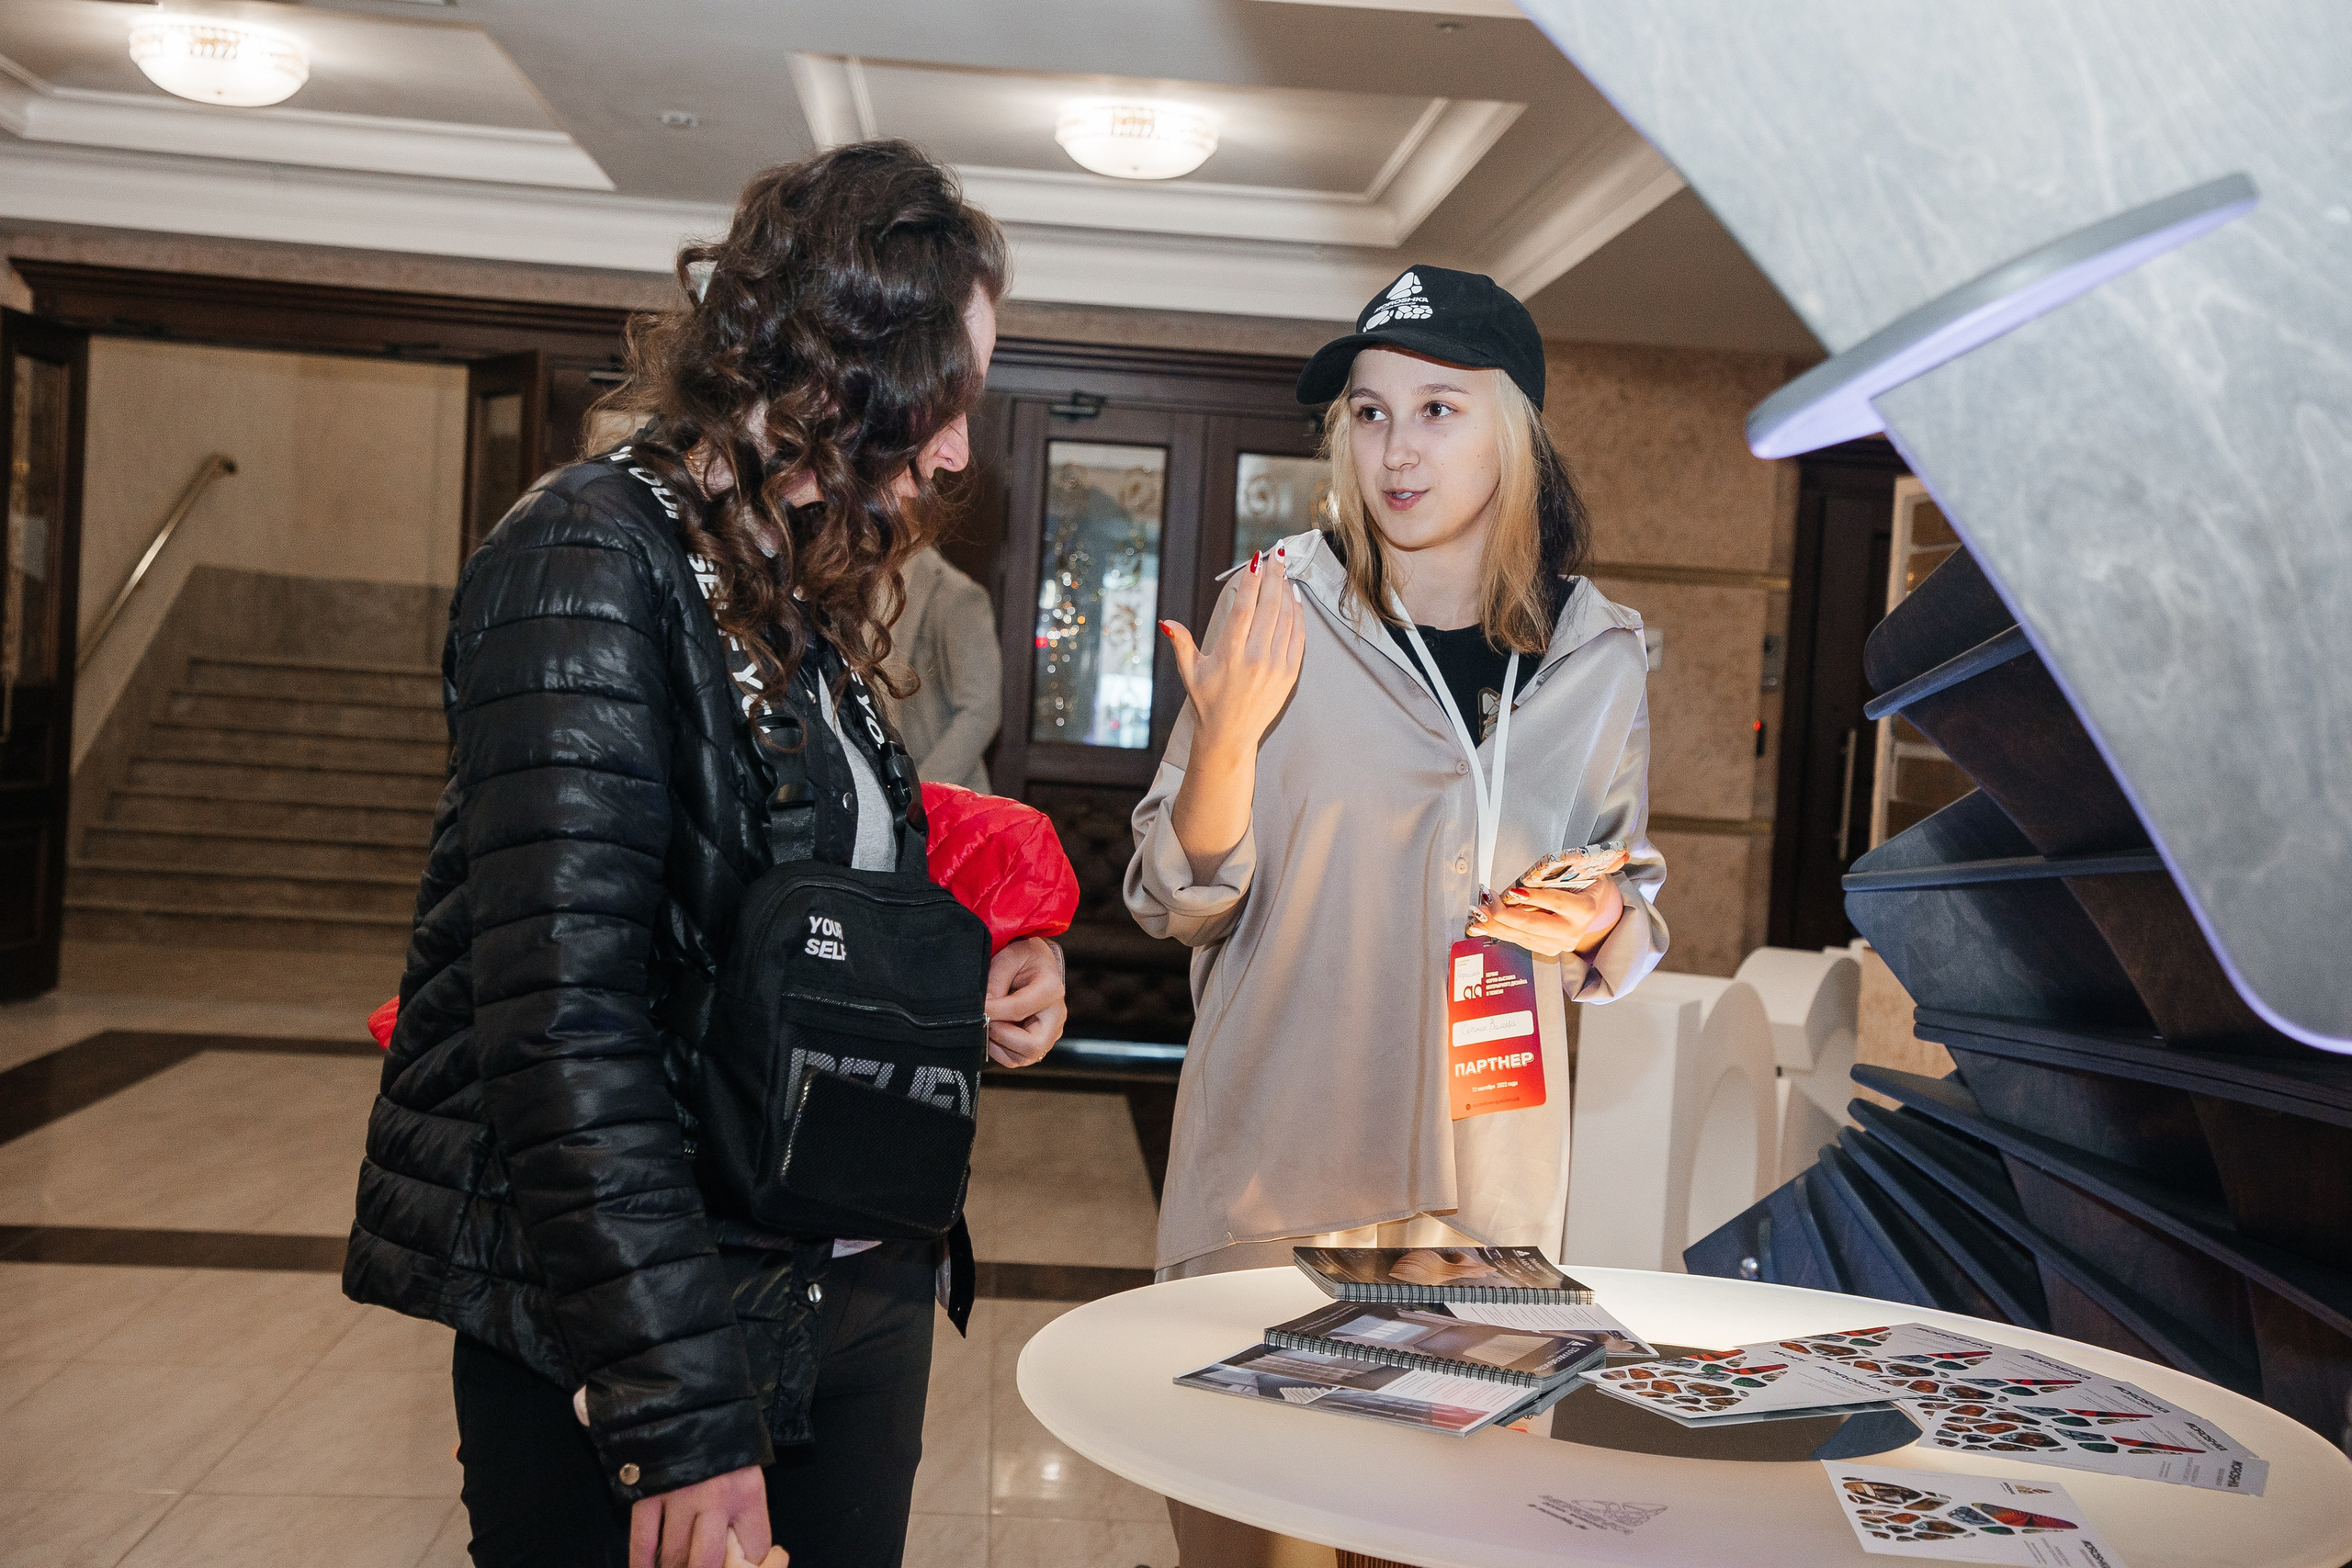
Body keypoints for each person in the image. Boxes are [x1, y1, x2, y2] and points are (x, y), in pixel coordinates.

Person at [345, 142, 1067, 1568]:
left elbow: (781, 920)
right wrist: (677, 1407)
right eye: (951, 394)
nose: (959, 450)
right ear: (846, 358)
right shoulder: (586, 555)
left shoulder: (788, 579)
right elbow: (563, 1025)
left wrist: (975, 969)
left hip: (835, 1289)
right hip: (678, 1327)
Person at [1125, 265, 1668, 1562]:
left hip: (1485, 1205)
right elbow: (1173, 888)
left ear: (1515, 427)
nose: (1395, 449)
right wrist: (1229, 742)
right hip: (1276, 1177)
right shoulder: (1276, 604)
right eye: (1368, 414)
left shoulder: (1600, 654)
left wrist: (1596, 919)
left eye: (1437, 408)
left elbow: (1627, 896)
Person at [881, 545, 1002, 790]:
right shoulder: (848, 584)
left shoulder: (956, 593)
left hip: (937, 802)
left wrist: (919, 794)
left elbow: (980, 711)